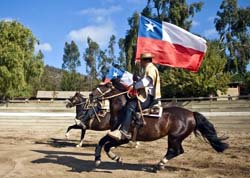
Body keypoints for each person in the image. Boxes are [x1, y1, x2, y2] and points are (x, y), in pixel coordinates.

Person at [108, 52, 161, 140]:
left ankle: (124, 131)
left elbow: (145, 82)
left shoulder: (150, 68)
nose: (140, 63)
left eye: (141, 61)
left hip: (148, 97)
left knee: (130, 106)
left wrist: (134, 85)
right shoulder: (149, 68)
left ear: (144, 61)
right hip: (146, 95)